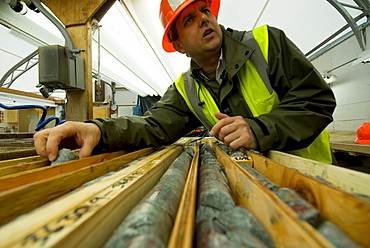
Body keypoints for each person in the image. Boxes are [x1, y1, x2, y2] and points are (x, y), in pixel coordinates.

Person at [34, 0, 336, 164]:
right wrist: (97, 129)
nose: (204, 19)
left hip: (312, 176)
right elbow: (152, 126)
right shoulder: (186, 88)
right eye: (189, 20)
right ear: (177, 44)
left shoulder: (267, 43)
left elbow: (316, 101)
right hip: (257, 182)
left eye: (204, 10)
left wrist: (259, 128)